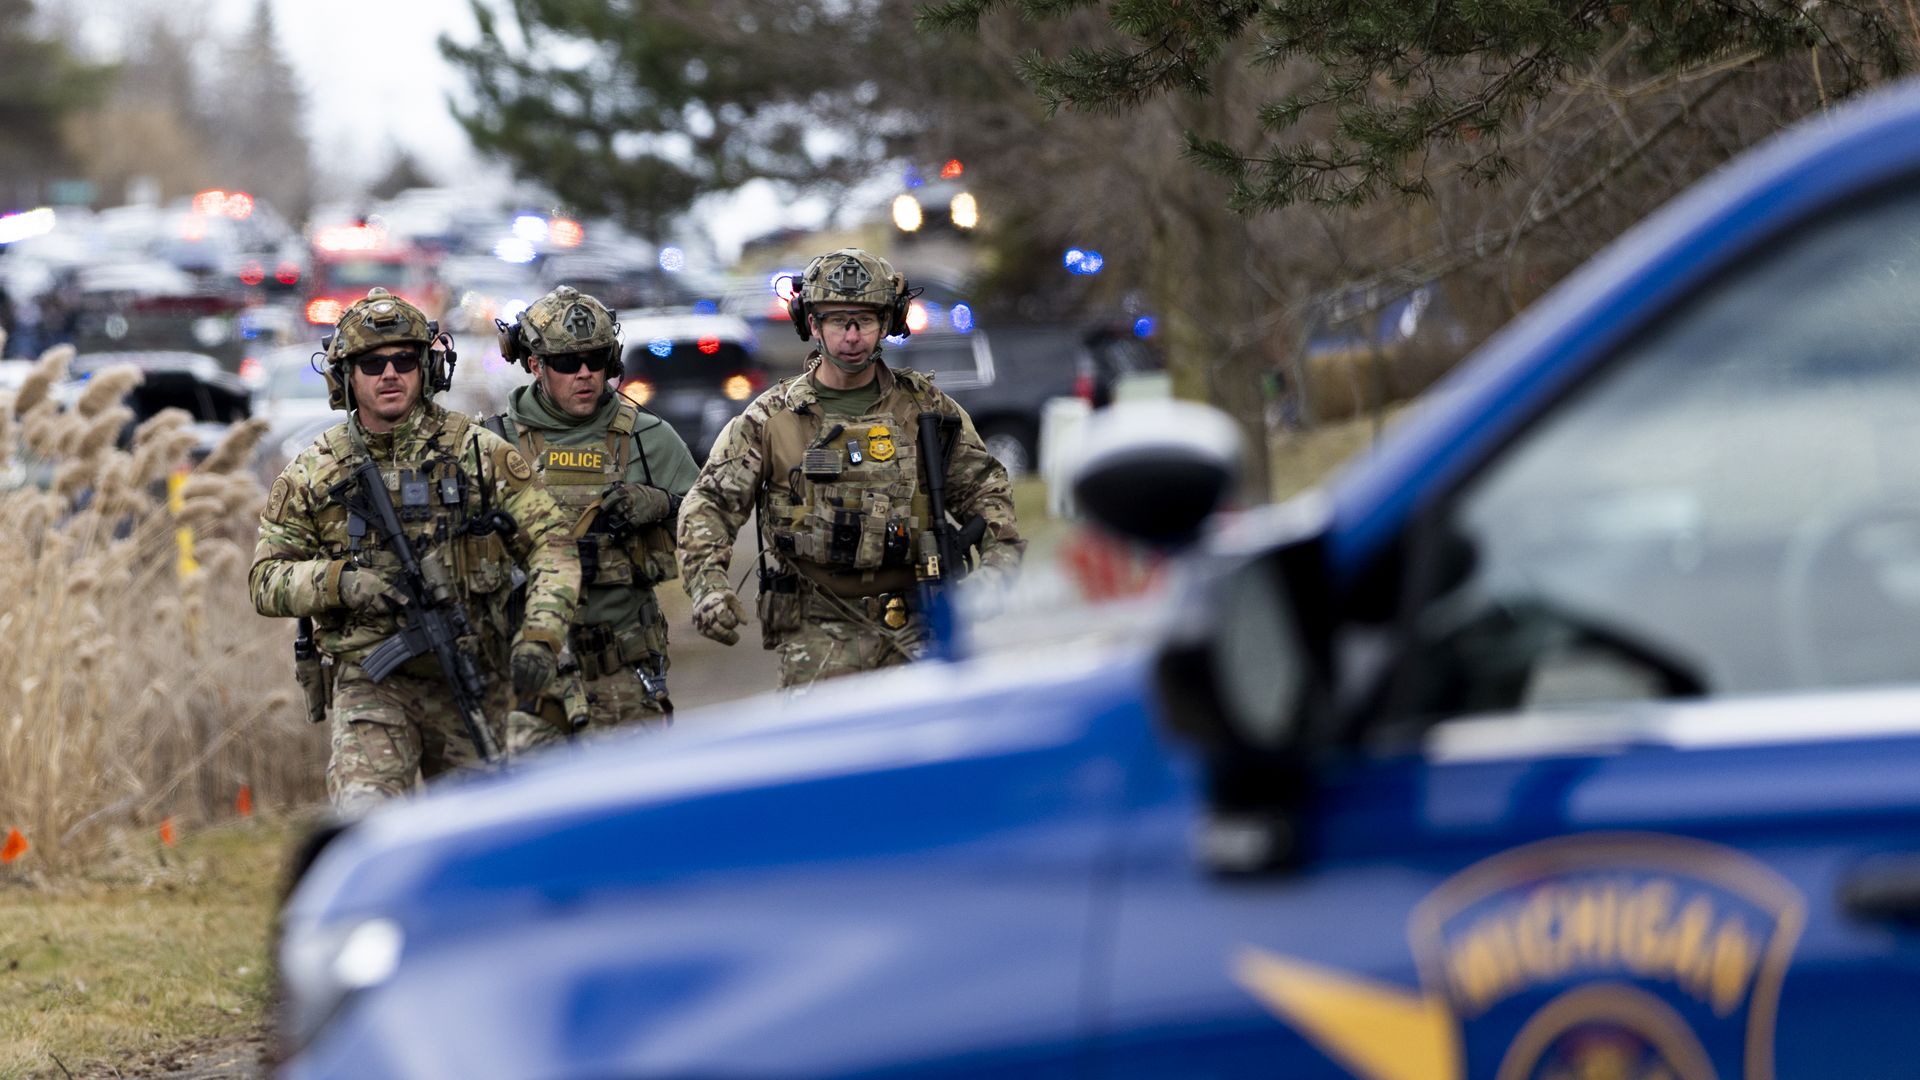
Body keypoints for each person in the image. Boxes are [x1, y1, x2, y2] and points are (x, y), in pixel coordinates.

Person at [250, 288, 580, 812]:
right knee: (366, 818)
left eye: (404, 360)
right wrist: (340, 582)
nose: (389, 374)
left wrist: (541, 634)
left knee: (483, 838)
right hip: (372, 684)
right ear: (345, 378)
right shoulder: (314, 471)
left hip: (474, 674)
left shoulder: (480, 454)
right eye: (371, 363)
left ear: (427, 367)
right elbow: (266, 579)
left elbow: (553, 550)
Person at [678, 247, 1024, 689]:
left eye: (866, 319)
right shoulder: (772, 419)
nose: (853, 335)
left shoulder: (926, 410)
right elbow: (709, 504)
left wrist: (997, 569)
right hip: (816, 631)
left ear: (889, 322)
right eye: (839, 320)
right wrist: (707, 584)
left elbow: (987, 492)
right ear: (813, 324)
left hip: (918, 623)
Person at [486, 285, 698, 746]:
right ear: (535, 365)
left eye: (596, 359)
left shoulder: (647, 437)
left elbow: (710, 522)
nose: (584, 374)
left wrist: (663, 504)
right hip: (527, 679)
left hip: (622, 669)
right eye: (566, 363)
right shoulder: (492, 445)